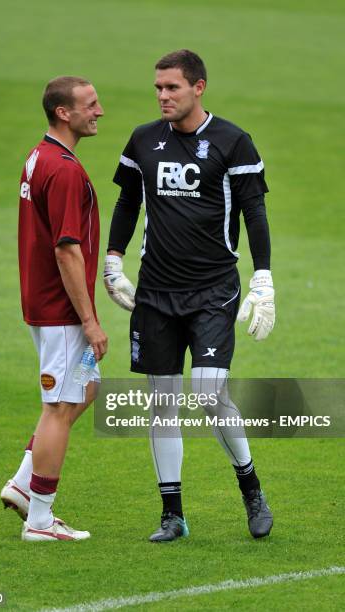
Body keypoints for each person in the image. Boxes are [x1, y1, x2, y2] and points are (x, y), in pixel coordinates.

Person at [104, 50, 275, 542]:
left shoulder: (232, 141)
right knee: (162, 402)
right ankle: (172, 514)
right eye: (158, 88)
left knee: (207, 393)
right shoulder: (142, 139)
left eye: (172, 88)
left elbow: (254, 214)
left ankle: (251, 488)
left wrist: (263, 278)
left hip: (212, 292)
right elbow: (126, 201)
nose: (162, 96)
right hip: (156, 292)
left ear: (198, 87)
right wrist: (113, 261)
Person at [1, 76, 108, 542]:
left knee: (84, 390)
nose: (99, 111)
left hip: (44, 303)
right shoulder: (64, 169)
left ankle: (24, 485)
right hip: (61, 311)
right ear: (64, 113)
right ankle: (40, 520)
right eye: (90, 104)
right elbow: (67, 250)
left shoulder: (38, 155)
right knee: (60, 406)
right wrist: (89, 320)